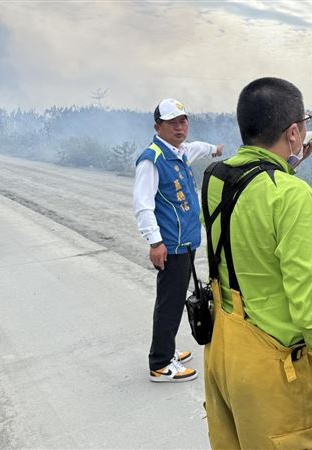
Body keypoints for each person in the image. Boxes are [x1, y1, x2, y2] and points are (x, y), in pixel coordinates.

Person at [202, 77, 312, 449]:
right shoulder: (291, 196)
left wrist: (289, 165)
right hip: (271, 366)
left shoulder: (215, 177)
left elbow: (252, 195)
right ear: (293, 131)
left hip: (222, 350)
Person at [132, 99, 223, 382]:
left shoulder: (179, 152)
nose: (179, 127)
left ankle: (167, 350)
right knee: (169, 303)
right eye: (172, 122)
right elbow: (143, 205)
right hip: (169, 244)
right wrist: (155, 242)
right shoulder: (152, 159)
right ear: (158, 126)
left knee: (174, 299)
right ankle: (160, 363)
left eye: (183, 121)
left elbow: (197, 147)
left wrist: (214, 150)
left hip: (185, 242)